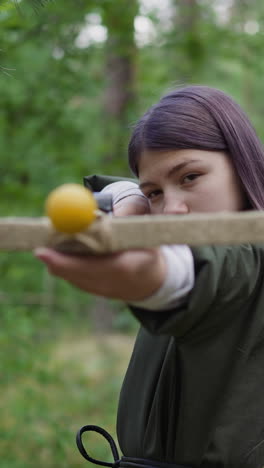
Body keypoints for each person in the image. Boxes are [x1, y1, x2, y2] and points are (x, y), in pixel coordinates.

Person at [35, 86, 264, 468]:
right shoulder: (168, 227)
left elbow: (196, 274)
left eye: (190, 177)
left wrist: (151, 276)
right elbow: (113, 190)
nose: (171, 209)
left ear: (242, 166)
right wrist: (131, 197)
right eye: (155, 193)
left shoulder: (249, 255)